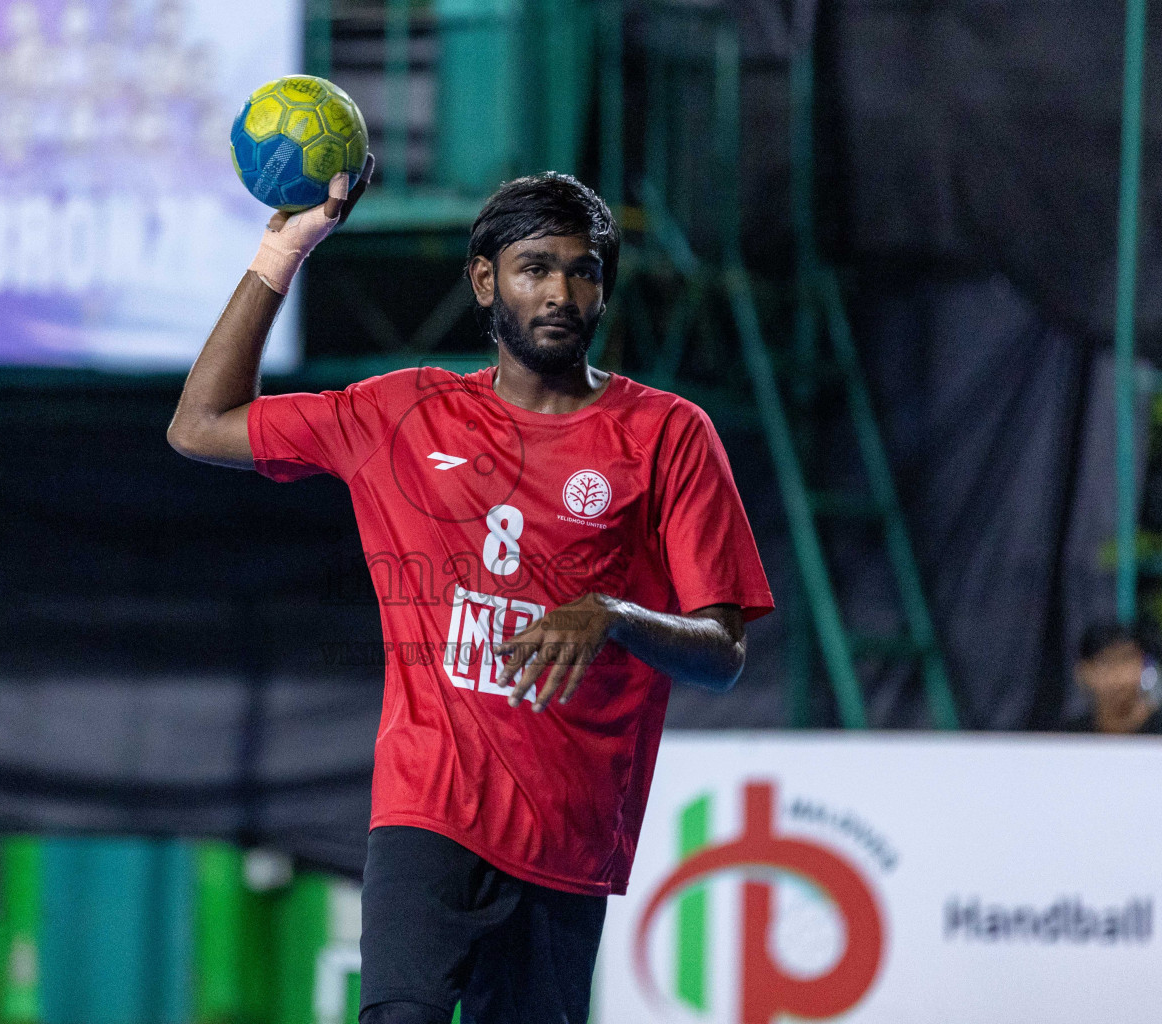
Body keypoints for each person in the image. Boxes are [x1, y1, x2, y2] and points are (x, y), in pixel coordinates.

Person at [166, 158, 774, 1024]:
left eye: (583, 270)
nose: (561, 291)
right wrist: (283, 253)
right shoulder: (405, 412)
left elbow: (724, 655)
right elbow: (198, 424)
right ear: (485, 283)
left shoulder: (670, 434)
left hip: (568, 833)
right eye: (536, 269)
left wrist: (613, 615)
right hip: (429, 807)